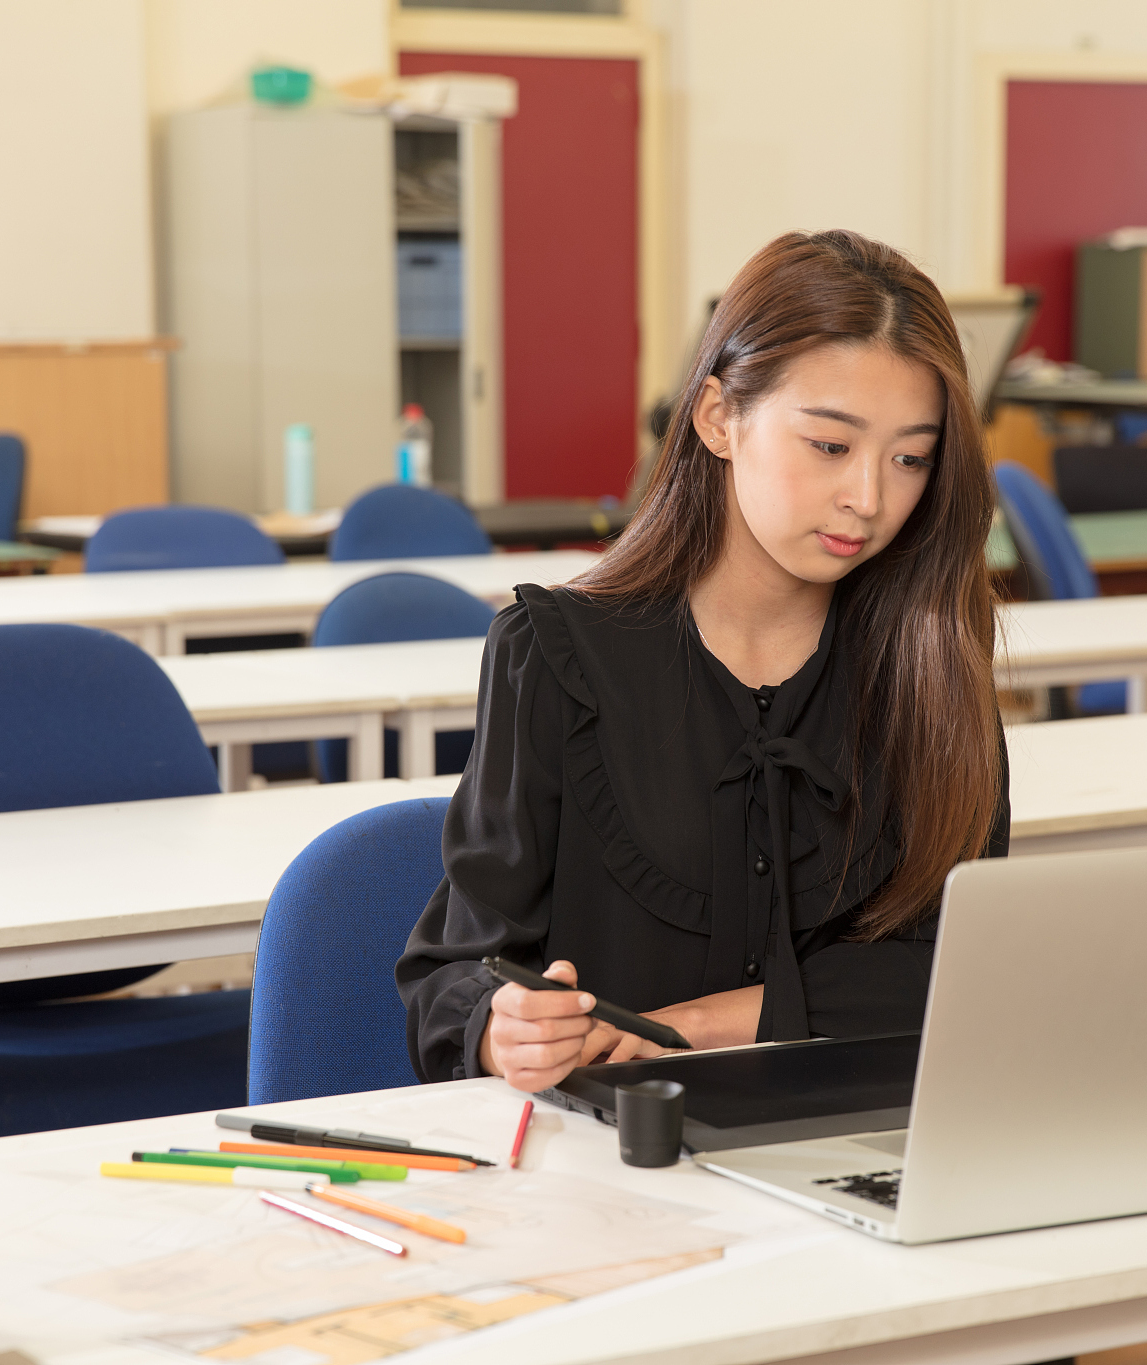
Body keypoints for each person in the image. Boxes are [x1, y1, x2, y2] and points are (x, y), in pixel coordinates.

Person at [396, 229, 1010, 1092]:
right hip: (613, 1149)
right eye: (830, 446)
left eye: (910, 458)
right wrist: (506, 1033)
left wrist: (702, 1023)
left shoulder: (931, 654)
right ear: (720, 418)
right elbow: (457, 971)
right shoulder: (558, 655)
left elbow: (961, 964)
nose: (869, 498)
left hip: (861, 1130)